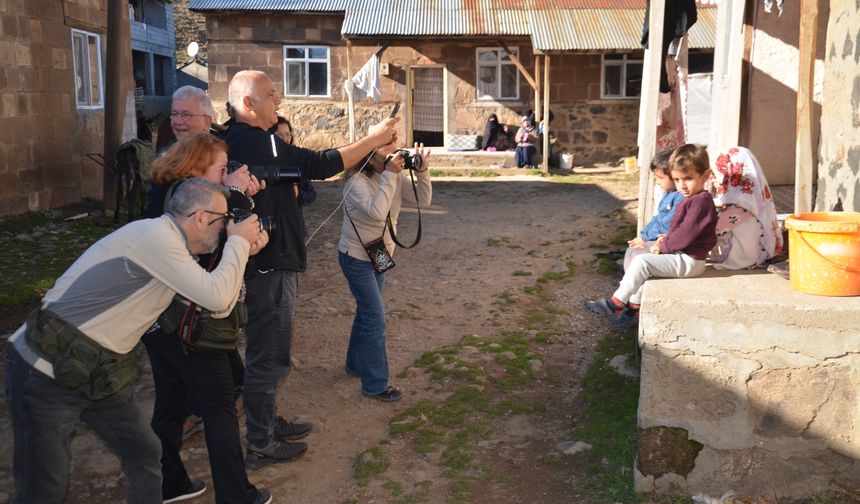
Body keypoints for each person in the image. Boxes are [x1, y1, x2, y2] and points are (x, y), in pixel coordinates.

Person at [4, 179, 266, 504]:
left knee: (145, 453)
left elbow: (221, 304)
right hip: (45, 371)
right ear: (200, 218)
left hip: (94, 373)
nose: (225, 229)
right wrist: (238, 245)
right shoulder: (155, 239)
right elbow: (216, 296)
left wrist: (240, 251)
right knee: (42, 490)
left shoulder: (173, 249)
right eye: (222, 221)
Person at [219, 69, 399, 469]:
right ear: (247, 103)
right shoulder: (257, 140)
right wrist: (374, 140)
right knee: (270, 356)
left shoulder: (236, 140)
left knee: (267, 353)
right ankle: (261, 441)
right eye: (271, 94)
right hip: (270, 266)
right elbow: (321, 164)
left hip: (262, 262)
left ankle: (266, 423)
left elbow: (304, 175)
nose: (279, 100)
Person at [141, 134, 271, 504]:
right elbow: (206, 257)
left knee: (169, 406)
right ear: (197, 168)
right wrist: (235, 198)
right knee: (219, 409)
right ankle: (235, 495)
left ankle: (170, 483)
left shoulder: (166, 191)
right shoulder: (190, 200)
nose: (226, 174)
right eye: (220, 168)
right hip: (190, 322)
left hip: (160, 321)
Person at [582, 144, 717, 327]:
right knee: (644, 266)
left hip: (690, 261)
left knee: (642, 262)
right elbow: (681, 230)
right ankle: (634, 310)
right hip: (684, 256)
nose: (682, 185)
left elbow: (686, 234)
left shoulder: (700, 202)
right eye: (677, 180)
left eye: (688, 178)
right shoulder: (694, 199)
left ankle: (616, 303)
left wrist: (663, 246)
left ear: (705, 176)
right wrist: (665, 239)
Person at [339, 143, 432, 402]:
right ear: (368, 157)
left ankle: (355, 364)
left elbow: (423, 200)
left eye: (396, 150)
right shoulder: (355, 183)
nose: (394, 156)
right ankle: (375, 384)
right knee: (375, 318)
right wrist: (391, 174)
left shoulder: (392, 176)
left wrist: (422, 172)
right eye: (387, 152)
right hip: (356, 257)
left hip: (380, 253)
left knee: (367, 313)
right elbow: (378, 213)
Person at [708, 146, 783, 270]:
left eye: (716, 175)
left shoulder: (741, 203)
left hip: (740, 259)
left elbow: (717, 227)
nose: (714, 180)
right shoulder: (752, 197)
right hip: (751, 253)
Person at [624, 149, 684, 269]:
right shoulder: (668, 194)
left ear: (674, 176)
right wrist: (643, 235)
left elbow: (667, 225)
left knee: (637, 256)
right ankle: (631, 282)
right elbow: (658, 218)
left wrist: (645, 238)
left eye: (660, 178)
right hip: (657, 238)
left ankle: (636, 284)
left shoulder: (681, 198)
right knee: (631, 252)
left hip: (670, 245)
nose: (657, 182)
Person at [273, 116, 317, 237]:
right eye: (279, 135)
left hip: (294, 226)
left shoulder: (296, 161)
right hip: (271, 227)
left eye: (288, 134)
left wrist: (298, 195)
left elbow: (311, 194)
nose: (285, 139)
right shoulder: (264, 161)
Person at [159, 85, 215, 153]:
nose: (178, 122)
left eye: (186, 115)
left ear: (206, 122)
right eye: (175, 114)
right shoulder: (165, 156)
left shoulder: (219, 158)